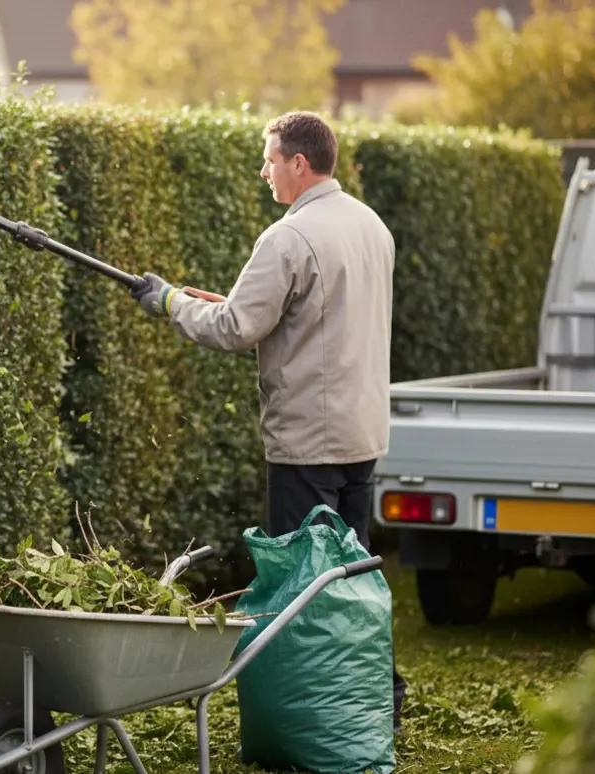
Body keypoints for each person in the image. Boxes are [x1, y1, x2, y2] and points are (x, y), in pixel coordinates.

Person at [130, 110, 407, 732]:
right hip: (362, 435)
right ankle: (374, 700)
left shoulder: (288, 237)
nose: (264, 171)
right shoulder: (372, 226)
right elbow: (315, 317)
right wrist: (221, 303)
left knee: (303, 588)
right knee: (352, 576)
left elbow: (234, 329)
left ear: (298, 164)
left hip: (308, 442)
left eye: (270, 158)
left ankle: (318, 716)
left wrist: (169, 302)